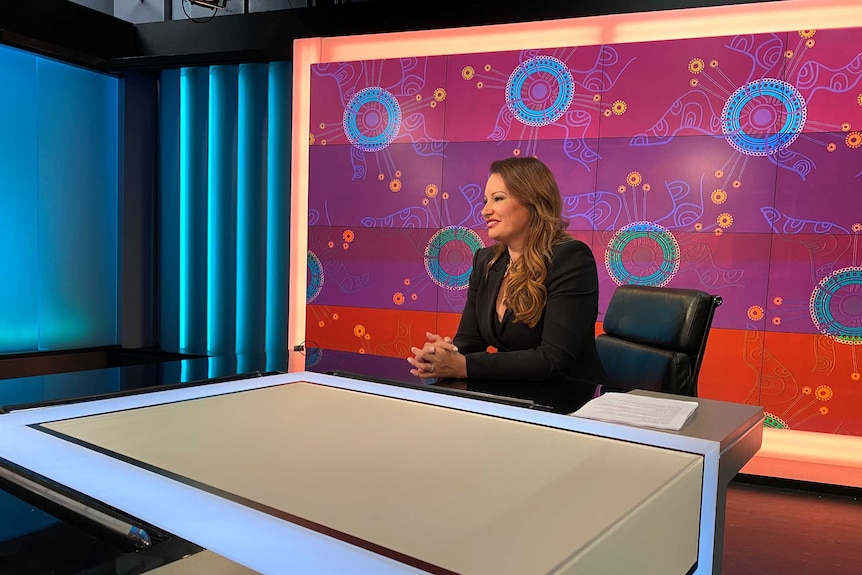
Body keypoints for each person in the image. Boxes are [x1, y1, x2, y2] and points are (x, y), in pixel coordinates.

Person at [407, 156, 609, 413]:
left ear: (532, 201)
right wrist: (444, 355)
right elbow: (469, 342)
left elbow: (553, 360)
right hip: (512, 398)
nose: (485, 210)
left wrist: (464, 366)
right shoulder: (486, 261)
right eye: (485, 201)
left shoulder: (570, 258)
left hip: (568, 403)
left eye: (498, 198)